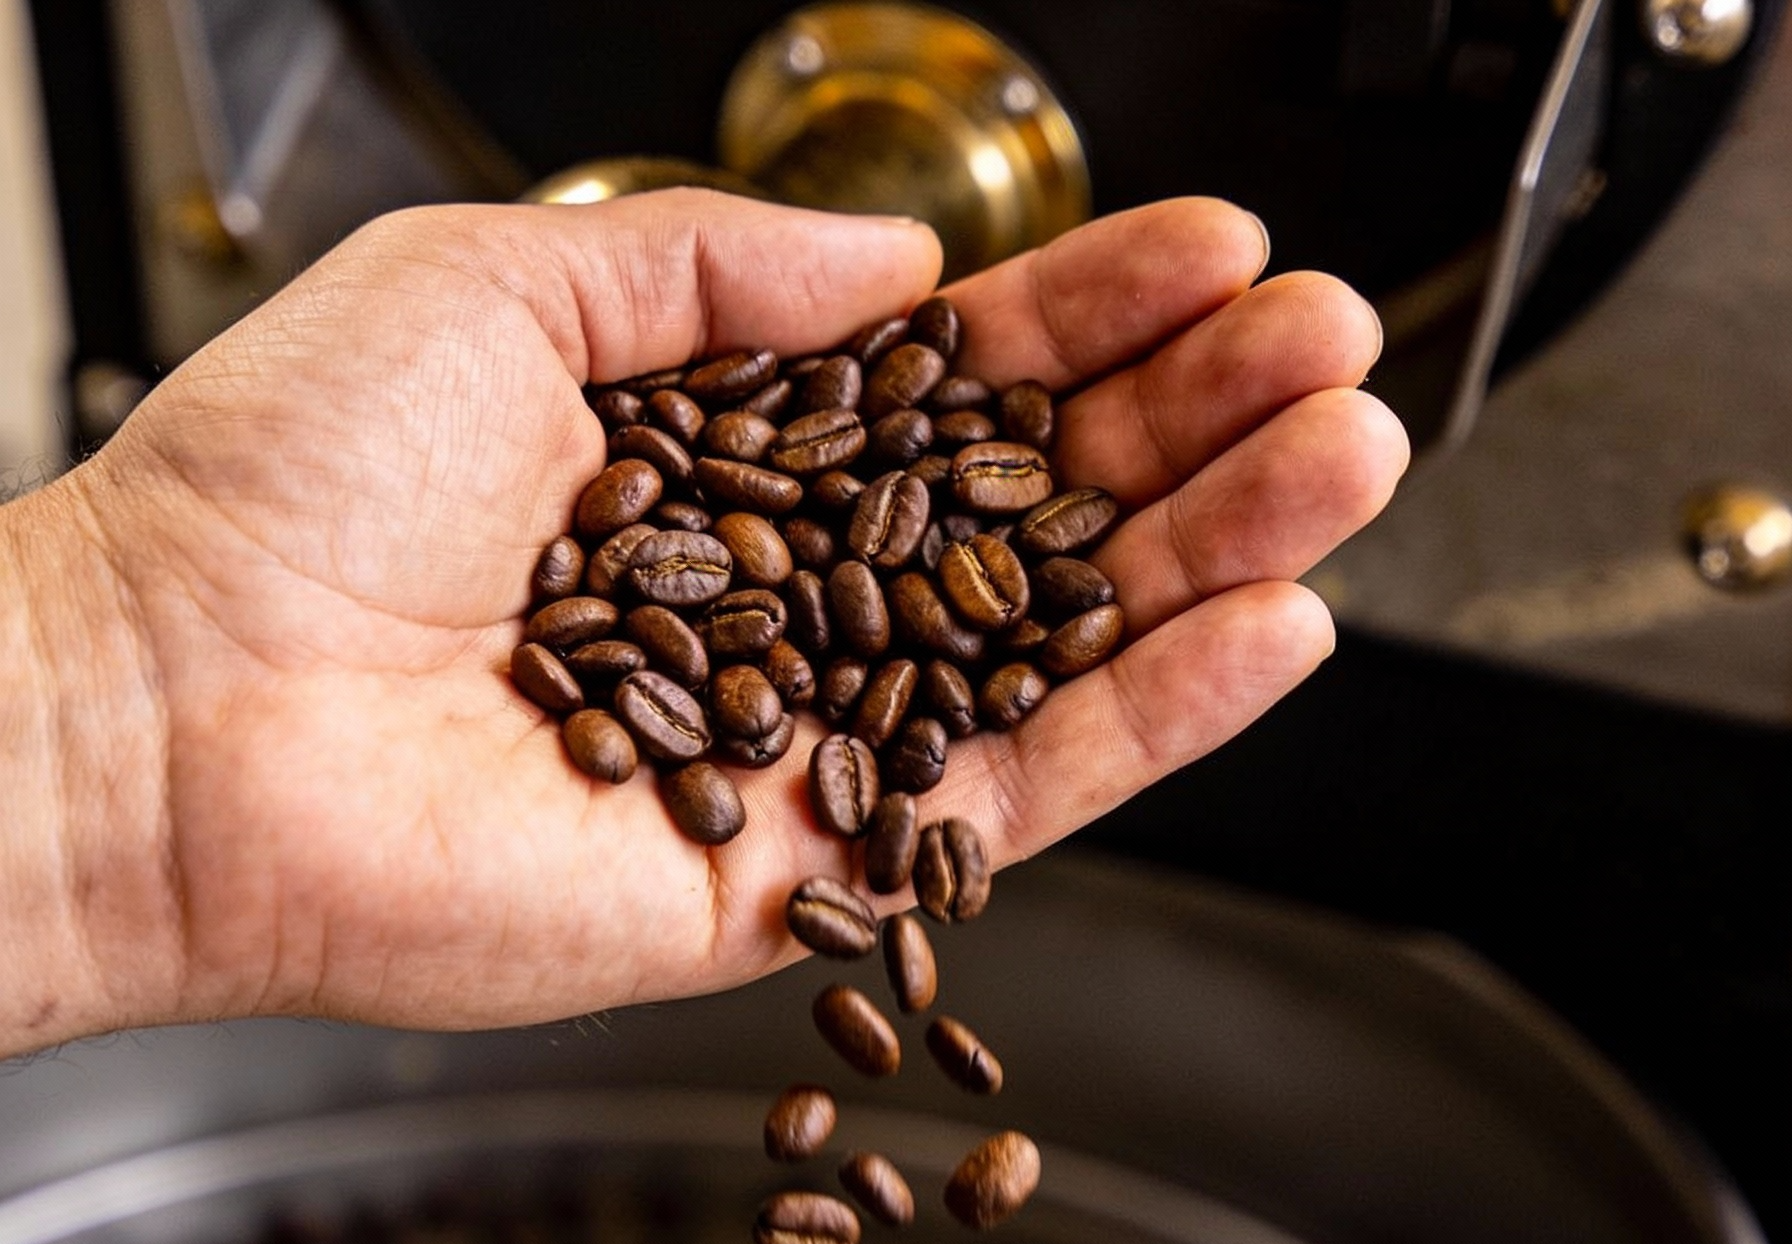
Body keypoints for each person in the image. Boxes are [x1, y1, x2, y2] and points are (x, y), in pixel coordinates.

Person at [0, 191, 1405, 1063]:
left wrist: (95, 716)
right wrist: (108, 665)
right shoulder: (707, 581)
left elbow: (871, 578)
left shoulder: (875, 560)